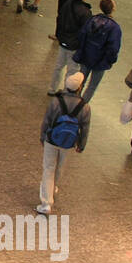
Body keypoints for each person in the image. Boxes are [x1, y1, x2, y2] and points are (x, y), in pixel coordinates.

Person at [37, 72, 91, 214]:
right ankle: (53, 188)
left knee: (49, 168)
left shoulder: (56, 101)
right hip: (68, 142)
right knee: (60, 167)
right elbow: (85, 128)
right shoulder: (84, 107)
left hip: (52, 139)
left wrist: (43, 136)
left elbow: (47, 121)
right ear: (79, 88)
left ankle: (46, 203)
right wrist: (81, 145)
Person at [68, 0, 120, 100]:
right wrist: (110, 61)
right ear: (112, 9)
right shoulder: (114, 27)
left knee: (80, 81)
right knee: (92, 86)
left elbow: (82, 35)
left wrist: (81, 51)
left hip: (86, 56)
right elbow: (113, 48)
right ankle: (82, 107)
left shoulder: (92, 20)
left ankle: (73, 102)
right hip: (101, 62)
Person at [48, 0, 91, 92]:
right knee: (72, 69)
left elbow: (60, 18)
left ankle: (52, 88)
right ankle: (67, 91)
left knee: (59, 66)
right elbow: (85, 31)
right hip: (74, 44)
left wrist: (60, 35)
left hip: (63, 40)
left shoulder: (67, 4)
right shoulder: (85, 12)